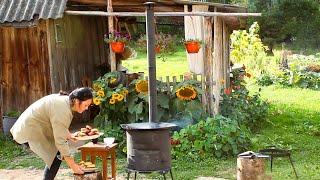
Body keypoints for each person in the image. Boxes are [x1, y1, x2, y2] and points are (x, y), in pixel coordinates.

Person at [10, 87, 93, 180]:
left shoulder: (65, 102)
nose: (86, 108)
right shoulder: (63, 109)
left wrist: (69, 135)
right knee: (57, 154)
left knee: (56, 155)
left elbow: (59, 125)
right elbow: (60, 141)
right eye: (86, 105)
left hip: (35, 127)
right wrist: (73, 166)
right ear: (77, 101)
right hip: (29, 130)